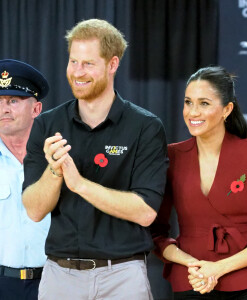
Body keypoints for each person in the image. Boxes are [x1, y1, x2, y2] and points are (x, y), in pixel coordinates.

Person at [22, 19, 168, 300]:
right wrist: (54, 172)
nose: (77, 72)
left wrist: (79, 184)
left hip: (122, 275)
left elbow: (146, 211)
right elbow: (34, 210)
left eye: (88, 63)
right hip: (59, 275)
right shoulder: (46, 124)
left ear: (112, 64)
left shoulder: (145, 127)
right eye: (73, 61)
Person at [151, 66, 247, 299]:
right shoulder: (171, 156)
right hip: (192, 280)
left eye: (204, 103)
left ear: (227, 109)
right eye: (188, 102)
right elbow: (155, 233)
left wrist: (218, 268)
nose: (192, 112)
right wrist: (191, 264)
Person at [0, 59, 50, 300]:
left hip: (55, 281)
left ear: (36, 109)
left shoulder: (58, 156)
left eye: (13, 101)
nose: (4, 109)